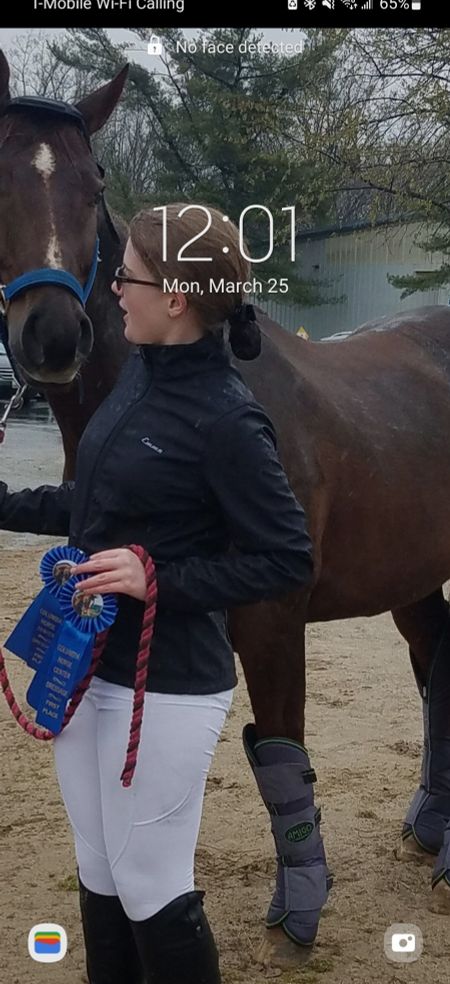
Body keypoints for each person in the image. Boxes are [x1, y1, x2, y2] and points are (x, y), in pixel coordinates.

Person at [0, 204, 314, 984]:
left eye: (126, 277)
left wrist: (159, 580)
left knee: (151, 884)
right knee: (100, 871)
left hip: (165, 685)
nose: (112, 291)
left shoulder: (230, 422)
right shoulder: (138, 374)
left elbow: (287, 559)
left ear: (175, 297)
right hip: (84, 663)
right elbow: (94, 506)